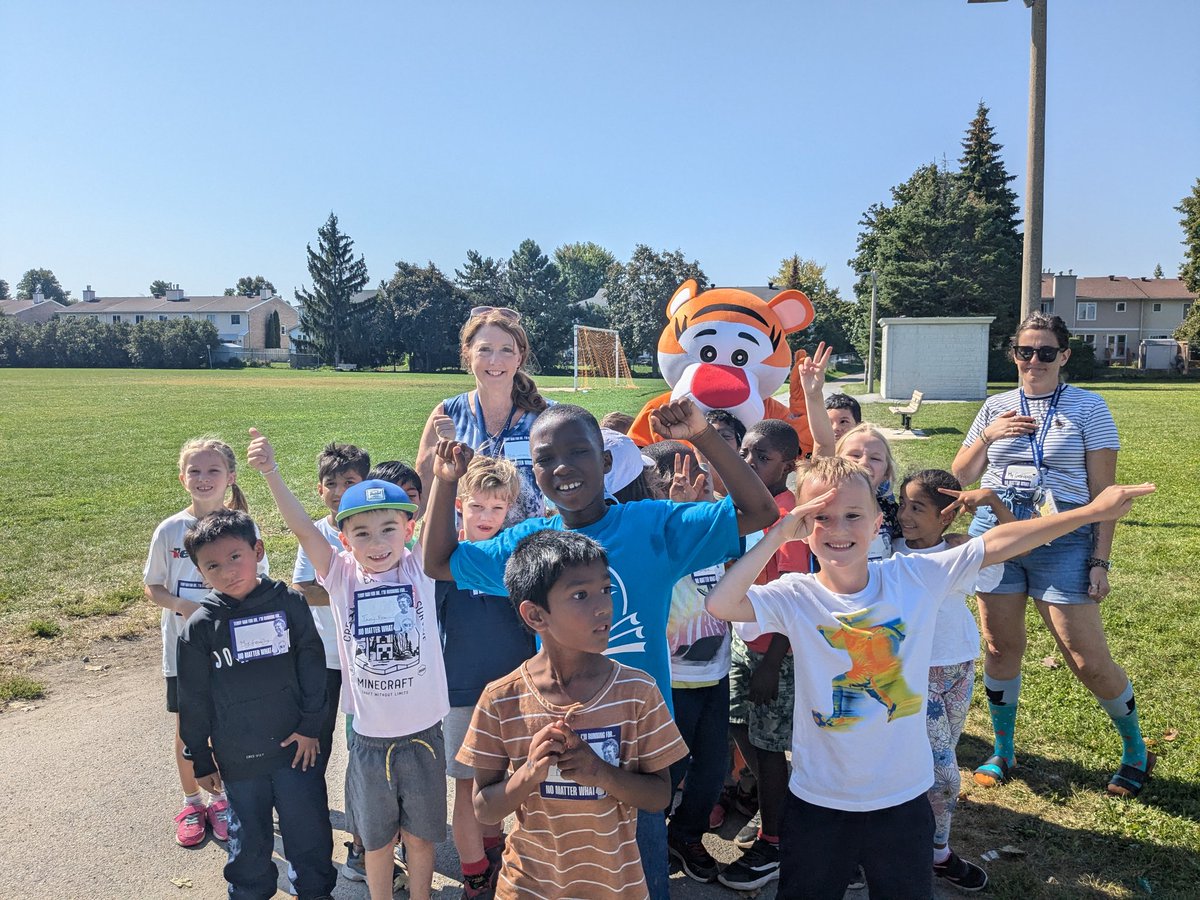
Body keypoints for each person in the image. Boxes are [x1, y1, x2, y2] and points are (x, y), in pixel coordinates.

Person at [704, 455, 1154, 897]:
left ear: (880, 520)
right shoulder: (794, 595)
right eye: (820, 517)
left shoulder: (913, 576)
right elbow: (721, 604)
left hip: (902, 799)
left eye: (853, 515)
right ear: (803, 525)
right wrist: (781, 530)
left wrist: (1092, 512)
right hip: (818, 800)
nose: (838, 529)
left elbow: (1000, 543)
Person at [423, 400, 778, 900]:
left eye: (578, 452)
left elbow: (760, 511)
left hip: (638, 739)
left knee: (639, 867)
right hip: (552, 737)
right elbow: (438, 561)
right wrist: (443, 480)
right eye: (546, 458)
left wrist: (703, 435)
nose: (563, 467)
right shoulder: (530, 544)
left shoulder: (653, 527)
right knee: (558, 861)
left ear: (607, 463)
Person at [952, 312, 1154, 798]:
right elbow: (958, 476)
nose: (1034, 361)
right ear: (1014, 355)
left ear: (1064, 356)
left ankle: (1136, 750)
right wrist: (988, 435)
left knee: (1086, 659)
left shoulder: (1088, 408)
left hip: (1062, 539)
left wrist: (1099, 561)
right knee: (999, 648)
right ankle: (1003, 750)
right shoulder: (995, 406)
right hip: (997, 535)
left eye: (1046, 352)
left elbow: (1105, 494)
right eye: (1025, 351)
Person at [248, 429, 447, 900]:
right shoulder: (339, 574)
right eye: (361, 532)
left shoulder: (421, 567)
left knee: (421, 837)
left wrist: (442, 468)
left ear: (408, 530)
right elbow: (300, 527)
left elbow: (438, 510)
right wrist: (271, 472)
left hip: (425, 733)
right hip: (370, 738)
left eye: (387, 530)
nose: (376, 543)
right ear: (343, 538)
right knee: (376, 841)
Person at [456, 530, 689, 899]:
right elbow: (484, 808)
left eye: (606, 589)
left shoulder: (638, 692)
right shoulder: (502, 699)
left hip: (615, 887)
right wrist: (529, 775)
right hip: (527, 887)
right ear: (535, 615)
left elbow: (659, 796)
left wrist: (600, 773)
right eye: (580, 595)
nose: (603, 606)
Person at [176, 509, 336, 900]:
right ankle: (248, 892)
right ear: (200, 571)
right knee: (248, 841)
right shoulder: (199, 629)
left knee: (309, 833)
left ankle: (315, 892)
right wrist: (201, 758)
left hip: (296, 750)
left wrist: (311, 726)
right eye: (212, 565)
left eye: (235, 557)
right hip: (239, 759)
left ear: (257, 550)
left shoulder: (291, 604)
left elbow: (314, 669)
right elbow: (193, 701)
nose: (228, 570)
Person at [144, 436, 267, 847]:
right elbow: (153, 587)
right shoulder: (170, 530)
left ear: (230, 477)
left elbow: (258, 581)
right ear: (182, 478)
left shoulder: (245, 527)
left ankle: (223, 799)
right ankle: (192, 801)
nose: (203, 478)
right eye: (194, 471)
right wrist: (188, 609)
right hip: (183, 652)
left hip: (232, 649)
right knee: (189, 728)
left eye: (213, 470)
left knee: (230, 724)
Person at [894, 470, 1011, 892]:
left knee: (939, 757)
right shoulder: (887, 553)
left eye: (917, 508)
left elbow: (1009, 550)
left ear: (946, 517)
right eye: (902, 505)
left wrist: (994, 504)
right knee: (944, 772)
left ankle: (922, 843)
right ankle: (936, 852)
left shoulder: (962, 552)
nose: (905, 515)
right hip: (911, 674)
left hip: (959, 666)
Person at [438, 455, 535, 898]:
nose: (486, 517)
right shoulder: (443, 558)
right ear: (460, 503)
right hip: (461, 691)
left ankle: (495, 847)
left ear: (511, 506)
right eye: (477, 506)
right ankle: (475, 872)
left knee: (515, 782)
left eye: (496, 508)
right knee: (467, 787)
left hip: (518, 689)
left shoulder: (520, 555)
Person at [721, 419, 809, 891]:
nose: (750, 463)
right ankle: (784, 804)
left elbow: (793, 594)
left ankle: (777, 840)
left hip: (775, 650)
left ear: (788, 465)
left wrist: (774, 661)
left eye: (763, 457)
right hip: (742, 637)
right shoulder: (744, 506)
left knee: (771, 747)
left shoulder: (787, 515)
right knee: (738, 724)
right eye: (747, 453)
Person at [641, 440, 730, 885]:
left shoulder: (713, 533)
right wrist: (676, 514)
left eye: (700, 477)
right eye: (678, 479)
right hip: (671, 680)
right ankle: (648, 841)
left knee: (713, 768)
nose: (693, 486)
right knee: (667, 770)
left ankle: (687, 834)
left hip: (715, 674)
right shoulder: (654, 536)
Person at [288, 441, 375, 882]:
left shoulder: (373, 527)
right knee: (312, 744)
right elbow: (303, 585)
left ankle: (363, 841)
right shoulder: (319, 532)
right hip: (322, 659)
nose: (340, 491)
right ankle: (304, 819)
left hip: (365, 661)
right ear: (319, 489)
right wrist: (353, 588)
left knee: (363, 749)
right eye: (332, 484)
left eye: (350, 482)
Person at [416, 307, 551, 522]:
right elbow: (421, 498)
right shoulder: (445, 414)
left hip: (530, 550)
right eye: (485, 349)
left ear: (520, 357)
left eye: (507, 350)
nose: (495, 361)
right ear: (467, 354)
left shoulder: (547, 416)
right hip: (465, 550)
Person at [795, 342, 862, 457]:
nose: (835, 428)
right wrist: (813, 394)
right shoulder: (824, 461)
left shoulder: (865, 457)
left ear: (859, 426)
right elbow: (823, 444)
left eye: (844, 421)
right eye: (828, 423)